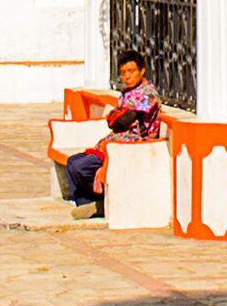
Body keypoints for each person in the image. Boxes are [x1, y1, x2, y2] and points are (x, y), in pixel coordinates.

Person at [65, 53, 164, 209]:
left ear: (142, 70)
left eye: (131, 71)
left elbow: (125, 119)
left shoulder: (148, 95)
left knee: (81, 167)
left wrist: (118, 119)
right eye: (123, 73)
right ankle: (84, 202)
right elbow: (115, 121)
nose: (127, 76)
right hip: (115, 140)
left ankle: (95, 200)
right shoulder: (126, 93)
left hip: (131, 144)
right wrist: (117, 119)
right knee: (71, 162)